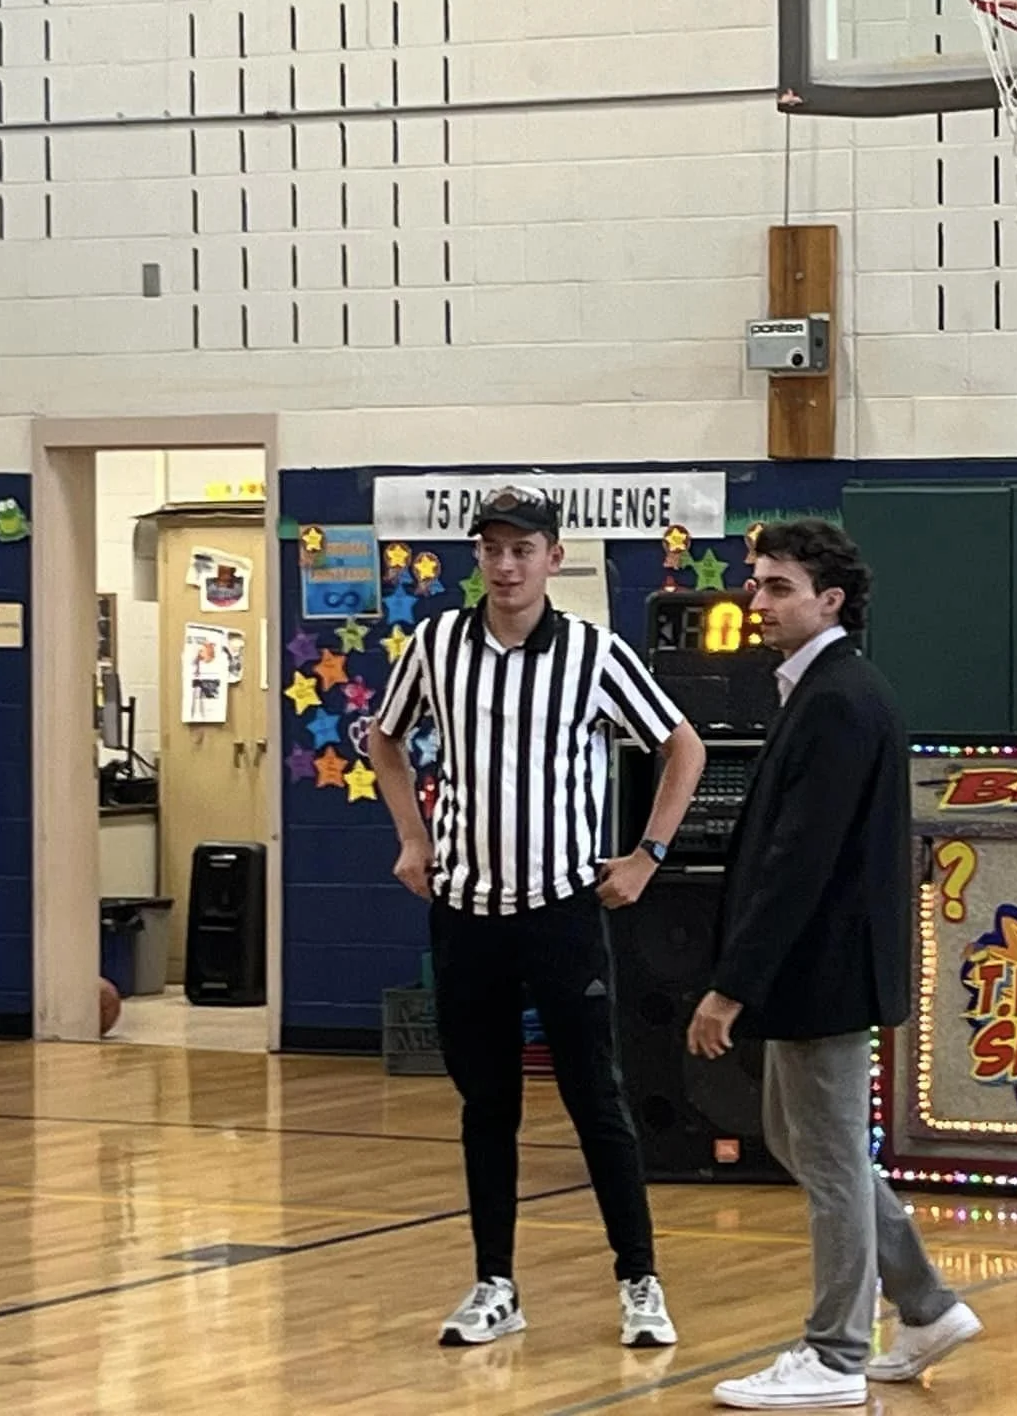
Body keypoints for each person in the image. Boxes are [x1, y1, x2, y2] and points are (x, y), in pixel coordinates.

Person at [367, 483, 707, 1350]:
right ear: (477, 557)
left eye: (523, 550)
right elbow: (384, 738)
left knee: (597, 1099)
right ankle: (495, 1284)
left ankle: (639, 1280)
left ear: (554, 558)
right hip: (466, 912)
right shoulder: (436, 644)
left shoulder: (594, 653)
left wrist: (648, 854)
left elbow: (683, 745)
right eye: (492, 549)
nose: (507, 565)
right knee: (487, 1106)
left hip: (561, 911)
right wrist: (411, 837)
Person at [688, 518, 981, 1410]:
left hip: (825, 969)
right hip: (814, 968)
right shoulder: (820, 690)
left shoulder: (841, 700)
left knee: (830, 1158)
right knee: (804, 1141)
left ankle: (835, 1354)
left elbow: (798, 861)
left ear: (831, 601)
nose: (757, 599)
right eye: (756, 582)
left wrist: (729, 986)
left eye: (778, 587)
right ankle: (927, 1306)